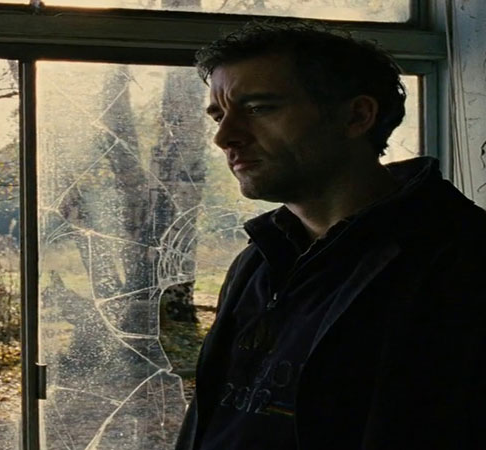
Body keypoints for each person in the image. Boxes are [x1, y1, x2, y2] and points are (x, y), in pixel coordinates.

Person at [176, 21, 486, 450]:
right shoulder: (261, 256)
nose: (225, 137)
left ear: (357, 116)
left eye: (259, 108)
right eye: (219, 114)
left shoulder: (463, 259)